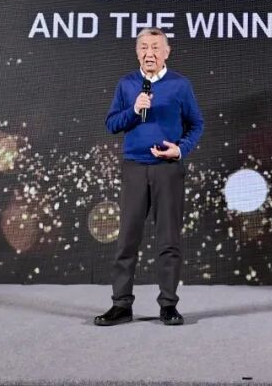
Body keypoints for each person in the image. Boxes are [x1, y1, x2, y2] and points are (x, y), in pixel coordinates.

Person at [94, 28, 203, 326]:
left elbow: (196, 124)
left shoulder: (180, 85)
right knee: (127, 240)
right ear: (137, 52)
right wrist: (134, 109)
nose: (149, 53)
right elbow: (112, 124)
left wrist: (180, 150)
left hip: (168, 170)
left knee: (169, 240)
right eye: (144, 47)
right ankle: (121, 305)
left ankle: (168, 305)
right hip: (134, 169)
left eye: (155, 47)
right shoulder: (127, 84)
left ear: (166, 52)